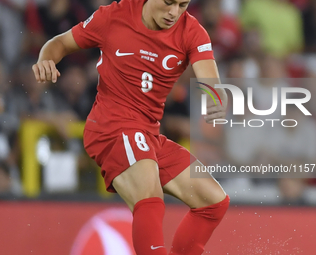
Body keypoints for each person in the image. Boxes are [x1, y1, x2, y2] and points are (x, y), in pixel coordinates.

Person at [32, 0, 230, 254]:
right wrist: (46, 58)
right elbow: (59, 43)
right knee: (150, 197)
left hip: (148, 135)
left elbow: (210, 79)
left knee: (213, 202)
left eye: (182, 4)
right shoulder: (113, 16)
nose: (174, 12)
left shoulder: (192, 31)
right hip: (111, 128)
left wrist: (215, 100)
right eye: (168, 2)